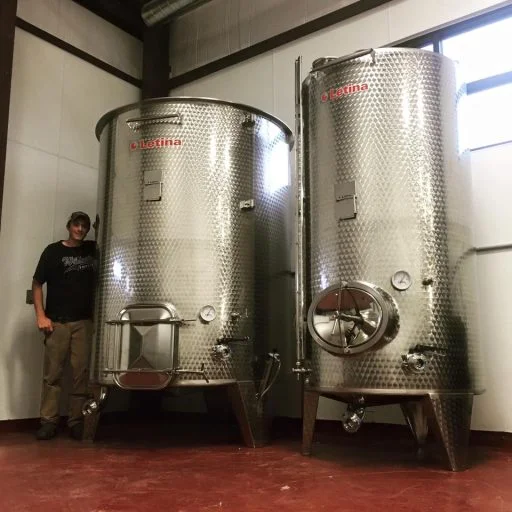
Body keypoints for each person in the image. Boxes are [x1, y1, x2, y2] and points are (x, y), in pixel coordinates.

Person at [32, 211, 97, 440]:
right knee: (53, 375)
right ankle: (48, 422)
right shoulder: (53, 251)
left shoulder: (92, 250)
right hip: (57, 322)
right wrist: (41, 315)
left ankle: (76, 421)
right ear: (69, 226)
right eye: (76, 225)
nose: (80, 229)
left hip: (83, 323)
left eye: (84, 226)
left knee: (81, 374)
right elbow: (37, 283)